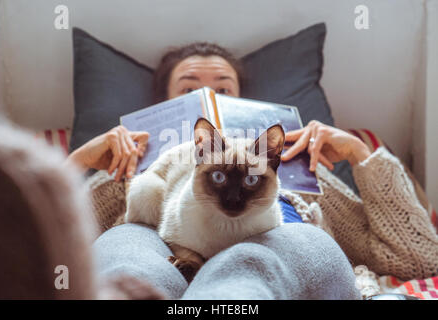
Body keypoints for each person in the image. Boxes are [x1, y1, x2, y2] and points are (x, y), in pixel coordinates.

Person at [68, 43, 437, 299]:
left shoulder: (293, 163)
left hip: (280, 241)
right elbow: (44, 248)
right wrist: (78, 163)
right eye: (189, 90)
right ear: (164, 105)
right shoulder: (132, 164)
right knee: (131, 267)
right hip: (153, 240)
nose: (210, 98)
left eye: (223, 90)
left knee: (251, 267)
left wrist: (360, 153)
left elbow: (417, 259)